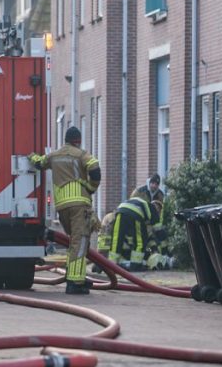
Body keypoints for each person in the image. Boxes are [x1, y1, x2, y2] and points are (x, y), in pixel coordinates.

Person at [29, 126, 100, 294]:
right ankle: (74, 282)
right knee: (79, 242)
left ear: (66, 140)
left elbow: (39, 162)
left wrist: (30, 155)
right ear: (78, 141)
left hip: (62, 207)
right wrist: (91, 187)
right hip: (79, 204)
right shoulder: (81, 154)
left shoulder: (55, 155)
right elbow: (95, 168)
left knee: (74, 242)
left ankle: (77, 276)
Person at [106, 195, 160, 271]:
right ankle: (136, 265)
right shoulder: (152, 209)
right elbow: (158, 230)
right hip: (136, 215)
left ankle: (111, 265)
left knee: (116, 239)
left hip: (120, 211)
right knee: (139, 241)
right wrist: (163, 249)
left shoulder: (139, 202)